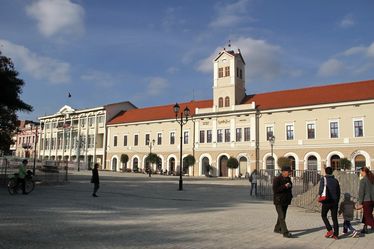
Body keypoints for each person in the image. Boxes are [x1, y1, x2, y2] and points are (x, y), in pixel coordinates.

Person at [319, 167, 341, 240]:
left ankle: (330, 230)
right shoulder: (335, 180)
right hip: (334, 201)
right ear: (332, 172)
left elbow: (321, 190)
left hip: (326, 201)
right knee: (334, 218)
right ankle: (336, 235)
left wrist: (320, 196)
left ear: (325, 172)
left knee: (323, 215)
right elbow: (338, 191)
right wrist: (337, 201)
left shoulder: (323, 179)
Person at [273, 165, 293, 238]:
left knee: (283, 216)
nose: (289, 173)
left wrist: (289, 185)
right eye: (288, 172)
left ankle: (277, 228)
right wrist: (285, 186)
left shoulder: (288, 179)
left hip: (286, 200)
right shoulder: (277, 179)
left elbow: (290, 186)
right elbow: (275, 190)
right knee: (281, 216)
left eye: (290, 172)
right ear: (283, 172)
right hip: (278, 201)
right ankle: (285, 232)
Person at [357, 166, 374, 234]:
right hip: (372, 200)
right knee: (367, 214)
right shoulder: (372, 178)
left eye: (360, 171)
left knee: (368, 215)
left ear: (364, 172)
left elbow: (361, 192)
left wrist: (360, 203)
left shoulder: (363, 180)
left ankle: (372, 225)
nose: (360, 173)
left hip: (367, 200)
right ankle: (365, 228)